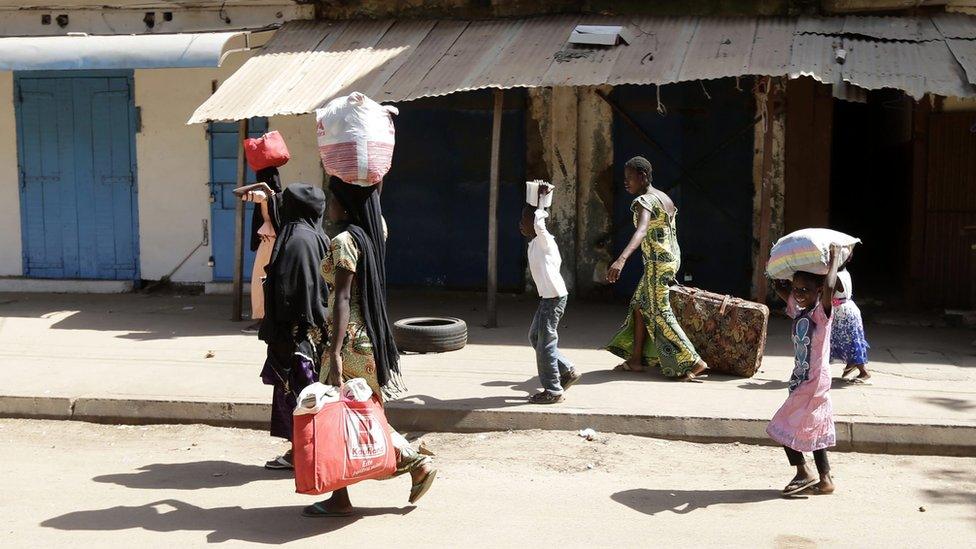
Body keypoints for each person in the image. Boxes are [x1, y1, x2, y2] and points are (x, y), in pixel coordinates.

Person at [303, 177, 436, 517]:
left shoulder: (345, 241)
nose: (328, 206)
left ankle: (411, 463)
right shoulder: (376, 231)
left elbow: (343, 297)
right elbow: (372, 199)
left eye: (333, 199)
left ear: (345, 205)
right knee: (361, 410)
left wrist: (333, 351)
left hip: (347, 339)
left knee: (341, 411)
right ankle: (347, 492)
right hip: (367, 337)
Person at [243, 184, 330, 470]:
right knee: (306, 396)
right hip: (310, 334)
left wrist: (279, 330)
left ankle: (305, 455)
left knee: (300, 396)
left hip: (296, 337)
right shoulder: (316, 235)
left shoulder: (296, 242)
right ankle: (302, 452)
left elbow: (292, 291)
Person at [605, 156, 709, 381]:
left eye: (629, 178)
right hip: (670, 260)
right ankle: (636, 360)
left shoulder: (645, 201)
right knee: (639, 304)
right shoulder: (663, 198)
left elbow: (641, 230)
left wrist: (621, 259)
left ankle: (694, 360)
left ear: (642, 177)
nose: (626, 183)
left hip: (657, 263)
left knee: (660, 311)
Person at [768, 247, 842, 496]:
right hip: (802, 380)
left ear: (818, 292)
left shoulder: (822, 314)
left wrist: (833, 261)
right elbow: (781, 288)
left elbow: (830, 288)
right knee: (812, 428)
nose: (799, 294)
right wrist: (776, 264)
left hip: (813, 381)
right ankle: (825, 478)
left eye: (805, 290)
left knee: (781, 425)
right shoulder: (799, 310)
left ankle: (803, 471)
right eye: (796, 289)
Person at [518, 185, 579, 404]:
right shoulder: (535, 243)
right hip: (549, 298)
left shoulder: (544, 239)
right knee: (536, 337)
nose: (520, 224)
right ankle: (567, 369)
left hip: (553, 298)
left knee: (544, 343)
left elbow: (538, 221)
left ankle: (553, 390)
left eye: (524, 220)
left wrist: (542, 200)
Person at [242, 167, 283, 335]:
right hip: (275, 242)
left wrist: (261, 193)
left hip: (268, 242)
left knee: (260, 282)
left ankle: (263, 319)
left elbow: (240, 194)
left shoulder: (266, 197)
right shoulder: (281, 197)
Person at [830, 269, 871, 383]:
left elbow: (828, 295)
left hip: (843, 313)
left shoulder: (836, 276)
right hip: (847, 308)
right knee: (849, 340)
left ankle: (864, 372)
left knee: (849, 341)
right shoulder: (845, 272)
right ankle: (852, 363)